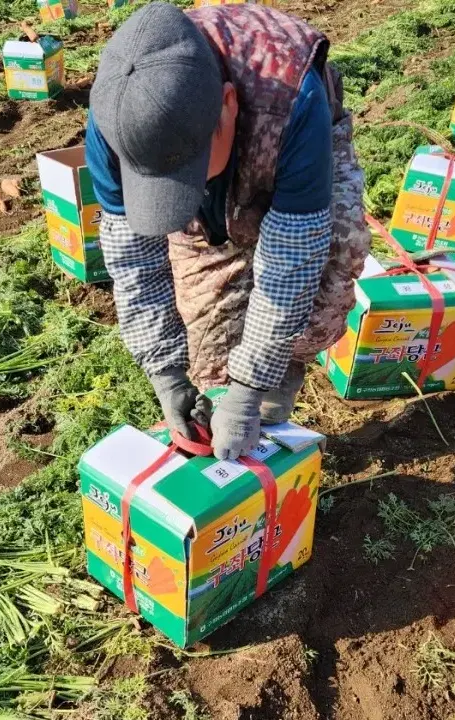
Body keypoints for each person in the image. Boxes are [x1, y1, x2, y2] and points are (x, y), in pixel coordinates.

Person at [86, 1, 370, 460]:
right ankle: (224, 407)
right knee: (207, 321)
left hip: (289, 148)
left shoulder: (293, 100)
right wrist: (166, 371)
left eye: (189, 174)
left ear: (227, 107)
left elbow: (290, 263)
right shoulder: (117, 116)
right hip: (209, 144)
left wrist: (252, 388)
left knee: (322, 289)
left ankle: (271, 400)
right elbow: (134, 262)